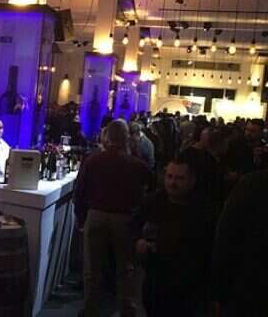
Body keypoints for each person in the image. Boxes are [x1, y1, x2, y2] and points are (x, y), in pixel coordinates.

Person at [73, 119, 152, 317]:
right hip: (124, 219)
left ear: (107, 137)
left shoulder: (92, 160)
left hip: (96, 215)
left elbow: (79, 191)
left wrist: (81, 218)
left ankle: (91, 309)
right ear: (127, 138)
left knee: (92, 269)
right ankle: (125, 309)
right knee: (124, 268)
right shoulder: (135, 164)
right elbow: (153, 187)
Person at [133, 158, 211, 317]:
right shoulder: (153, 202)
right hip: (155, 282)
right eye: (169, 176)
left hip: (188, 285)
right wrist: (138, 242)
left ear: (192, 180)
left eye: (179, 178)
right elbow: (133, 227)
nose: (172, 183)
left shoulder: (203, 210)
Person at [212, 167, 268, 317]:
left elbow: (226, 240)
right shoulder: (252, 185)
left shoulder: (252, 184)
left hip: (250, 291)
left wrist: (220, 293)